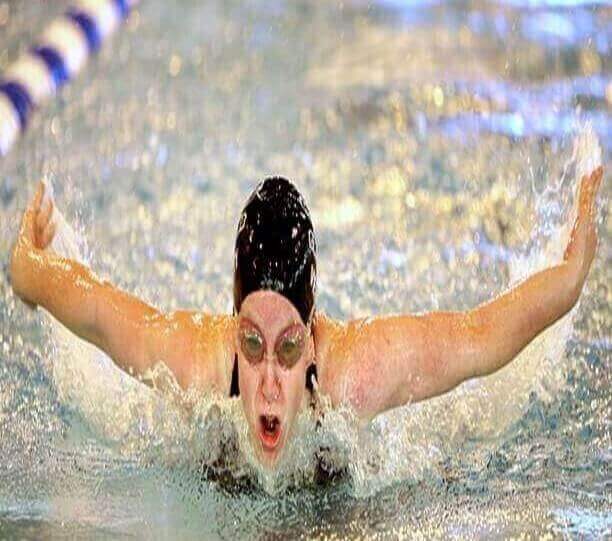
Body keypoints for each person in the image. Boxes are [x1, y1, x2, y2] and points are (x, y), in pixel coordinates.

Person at [9, 168, 603, 470]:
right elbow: (96, 308)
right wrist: (27, 265)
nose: (268, 380)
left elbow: (480, 337)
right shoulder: (196, 363)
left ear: (313, 339)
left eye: (289, 348)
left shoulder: (356, 373)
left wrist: (571, 277)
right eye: (252, 344)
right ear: (233, 328)